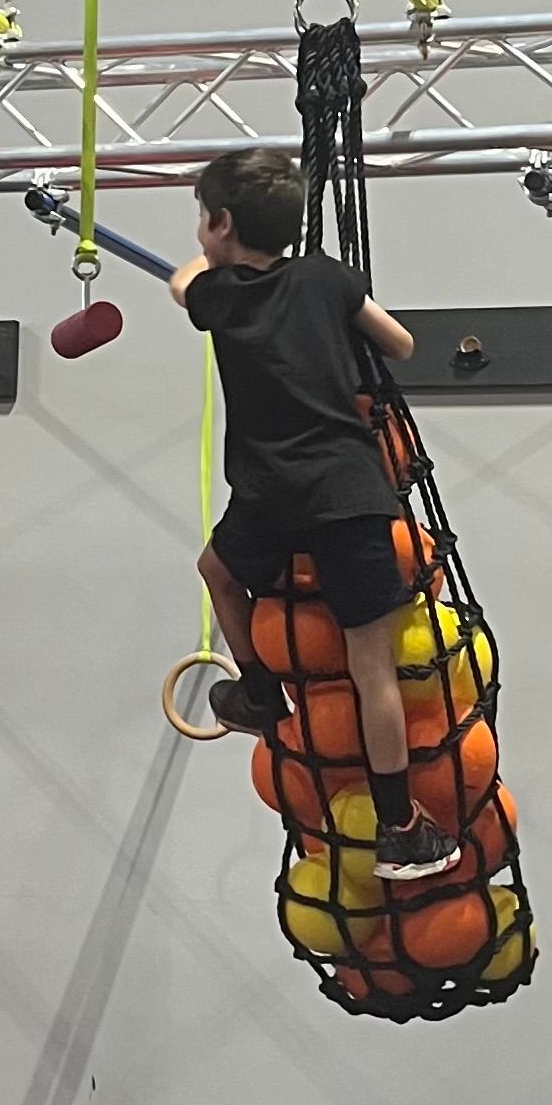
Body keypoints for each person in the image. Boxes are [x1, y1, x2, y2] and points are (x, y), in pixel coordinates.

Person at [169, 146, 460, 885]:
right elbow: (400, 340)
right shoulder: (326, 278)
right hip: (348, 489)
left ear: (222, 224)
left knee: (218, 573)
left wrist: (205, 265)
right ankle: (400, 826)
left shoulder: (221, 294)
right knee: (374, 666)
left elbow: (182, 284)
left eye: (203, 221)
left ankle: (260, 688)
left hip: (271, 493)